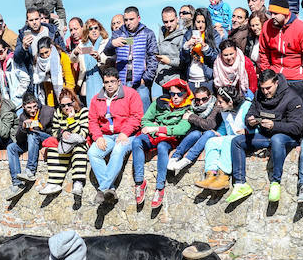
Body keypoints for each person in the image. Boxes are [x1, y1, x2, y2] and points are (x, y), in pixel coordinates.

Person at [225, 71, 303, 204]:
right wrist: (250, 121)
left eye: (268, 88)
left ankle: (275, 182)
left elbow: (297, 128)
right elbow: (250, 114)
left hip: (288, 137)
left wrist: (274, 125)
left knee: (277, 139)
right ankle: (240, 184)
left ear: (276, 83)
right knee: (237, 141)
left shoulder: (292, 98)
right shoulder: (259, 94)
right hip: (266, 135)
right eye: (262, 88)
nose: (265, 92)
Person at [130, 78, 193, 208]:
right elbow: (145, 120)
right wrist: (157, 131)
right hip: (155, 135)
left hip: (171, 139)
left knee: (162, 147)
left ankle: (160, 188)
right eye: (172, 94)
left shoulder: (189, 108)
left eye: (179, 94)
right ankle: (139, 182)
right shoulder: (160, 102)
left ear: (185, 94)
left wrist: (157, 128)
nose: (175, 97)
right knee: (137, 141)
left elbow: (181, 129)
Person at [87, 67, 144, 202]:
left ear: (119, 82)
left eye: (112, 81)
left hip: (128, 135)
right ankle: (110, 189)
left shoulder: (131, 94)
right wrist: (98, 137)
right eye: (107, 82)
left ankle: (102, 189)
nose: (110, 85)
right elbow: (92, 121)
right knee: (93, 153)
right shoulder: (96, 99)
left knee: (118, 150)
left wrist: (125, 133)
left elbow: (137, 116)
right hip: (106, 135)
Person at [257, 0, 303, 98]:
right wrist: (267, 74)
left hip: (296, 79)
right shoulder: (267, 26)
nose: (272, 16)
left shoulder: (302, 29)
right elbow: (263, 53)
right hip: (274, 77)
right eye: (271, 13)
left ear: (285, 13)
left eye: (276, 13)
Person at [196, 85, 251, 190]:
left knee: (228, 140)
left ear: (230, 102)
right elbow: (225, 126)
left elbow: (257, 125)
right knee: (212, 141)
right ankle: (211, 174)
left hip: (246, 139)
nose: (218, 104)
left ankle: (223, 177)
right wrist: (219, 133)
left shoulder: (247, 106)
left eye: (220, 102)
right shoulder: (225, 109)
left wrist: (248, 130)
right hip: (231, 138)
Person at [104, 6, 158, 110]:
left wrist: (146, 78)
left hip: (141, 82)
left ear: (139, 18)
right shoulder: (118, 33)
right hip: (122, 82)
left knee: (143, 111)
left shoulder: (148, 33)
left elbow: (153, 57)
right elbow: (107, 52)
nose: (128, 22)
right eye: (126, 20)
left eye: (131, 19)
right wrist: (112, 44)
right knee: (124, 112)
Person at [39, 88, 90, 197]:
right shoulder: (58, 112)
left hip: (80, 143)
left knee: (79, 149)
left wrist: (71, 120)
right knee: (53, 149)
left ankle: (78, 182)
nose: (66, 108)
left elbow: (83, 134)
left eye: (69, 104)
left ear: (74, 101)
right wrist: (62, 133)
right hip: (64, 144)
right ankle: (54, 183)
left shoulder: (83, 111)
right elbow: (54, 131)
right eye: (63, 105)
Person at [6, 92, 55, 186]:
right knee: (11, 147)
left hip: (46, 139)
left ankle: (30, 170)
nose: (33, 110)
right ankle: (17, 182)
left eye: (35, 106)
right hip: (31, 142)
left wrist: (48, 145)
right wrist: (23, 128)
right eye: (29, 107)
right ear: (23, 107)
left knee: (33, 134)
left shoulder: (48, 111)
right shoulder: (22, 116)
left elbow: (56, 130)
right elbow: (19, 140)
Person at [167, 85, 220, 173]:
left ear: (209, 97)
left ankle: (187, 159)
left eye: (204, 99)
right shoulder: (192, 105)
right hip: (196, 133)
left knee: (209, 133)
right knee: (196, 133)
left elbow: (209, 125)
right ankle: (175, 157)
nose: (201, 102)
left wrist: (192, 117)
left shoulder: (215, 106)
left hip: (211, 134)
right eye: (198, 100)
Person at [180, 8, 220, 92]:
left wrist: (205, 47)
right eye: (198, 22)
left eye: (203, 22)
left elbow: (216, 58)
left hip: (207, 80)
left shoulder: (214, 35)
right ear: (194, 22)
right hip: (191, 80)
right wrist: (186, 46)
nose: (200, 25)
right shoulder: (188, 34)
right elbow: (183, 60)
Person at [73, 18, 109, 105]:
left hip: (103, 79)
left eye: (96, 28)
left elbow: (111, 58)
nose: (94, 31)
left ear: (100, 29)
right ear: (87, 32)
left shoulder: (106, 42)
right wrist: (75, 52)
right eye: (90, 29)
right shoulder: (83, 45)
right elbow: (73, 60)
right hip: (88, 81)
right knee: (91, 107)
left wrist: (99, 58)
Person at [153, 7, 186, 100]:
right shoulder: (161, 32)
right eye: (165, 22)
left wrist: (168, 61)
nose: (169, 24)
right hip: (162, 79)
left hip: (177, 81)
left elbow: (185, 62)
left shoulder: (184, 35)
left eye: (171, 21)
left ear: (177, 19)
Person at [32, 37, 74, 106]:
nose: (45, 56)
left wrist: (68, 98)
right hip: (50, 93)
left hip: (64, 91)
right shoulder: (39, 62)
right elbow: (47, 86)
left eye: (46, 52)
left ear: (51, 48)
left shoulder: (62, 56)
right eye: (42, 54)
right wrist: (50, 105)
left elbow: (69, 79)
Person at [0, 40, 30, 112]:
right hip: (8, 103)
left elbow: (25, 79)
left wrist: (18, 95)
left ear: (6, 49)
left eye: (0, 52)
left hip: (20, 103)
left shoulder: (14, 60)